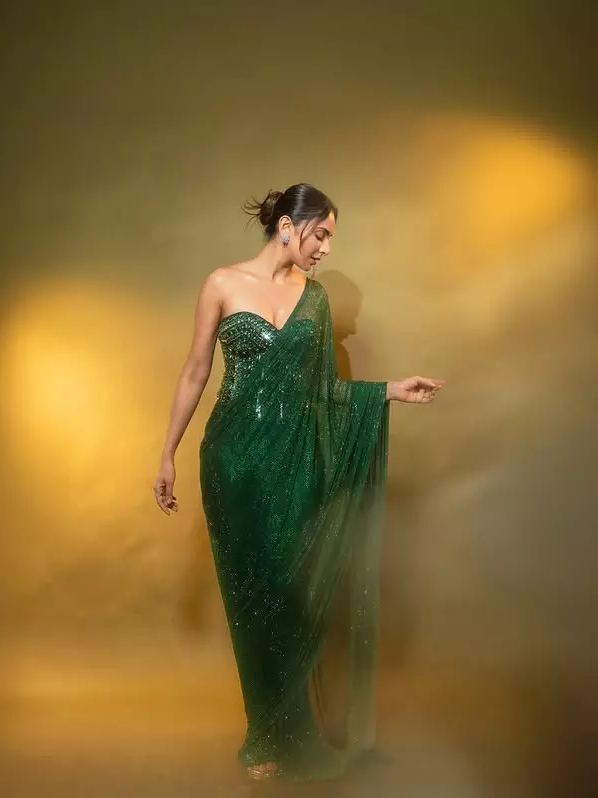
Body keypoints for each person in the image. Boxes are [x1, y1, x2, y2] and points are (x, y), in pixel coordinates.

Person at [152, 183, 445, 781]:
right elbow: (195, 371)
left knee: (289, 593)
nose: (326, 249)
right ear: (287, 225)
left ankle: (286, 728)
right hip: (233, 464)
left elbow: (320, 392)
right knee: (251, 599)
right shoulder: (222, 283)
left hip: (294, 463)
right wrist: (168, 453)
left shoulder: (314, 300)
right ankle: (264, 736)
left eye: (330, 238)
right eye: (322, 234)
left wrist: (390, 391)